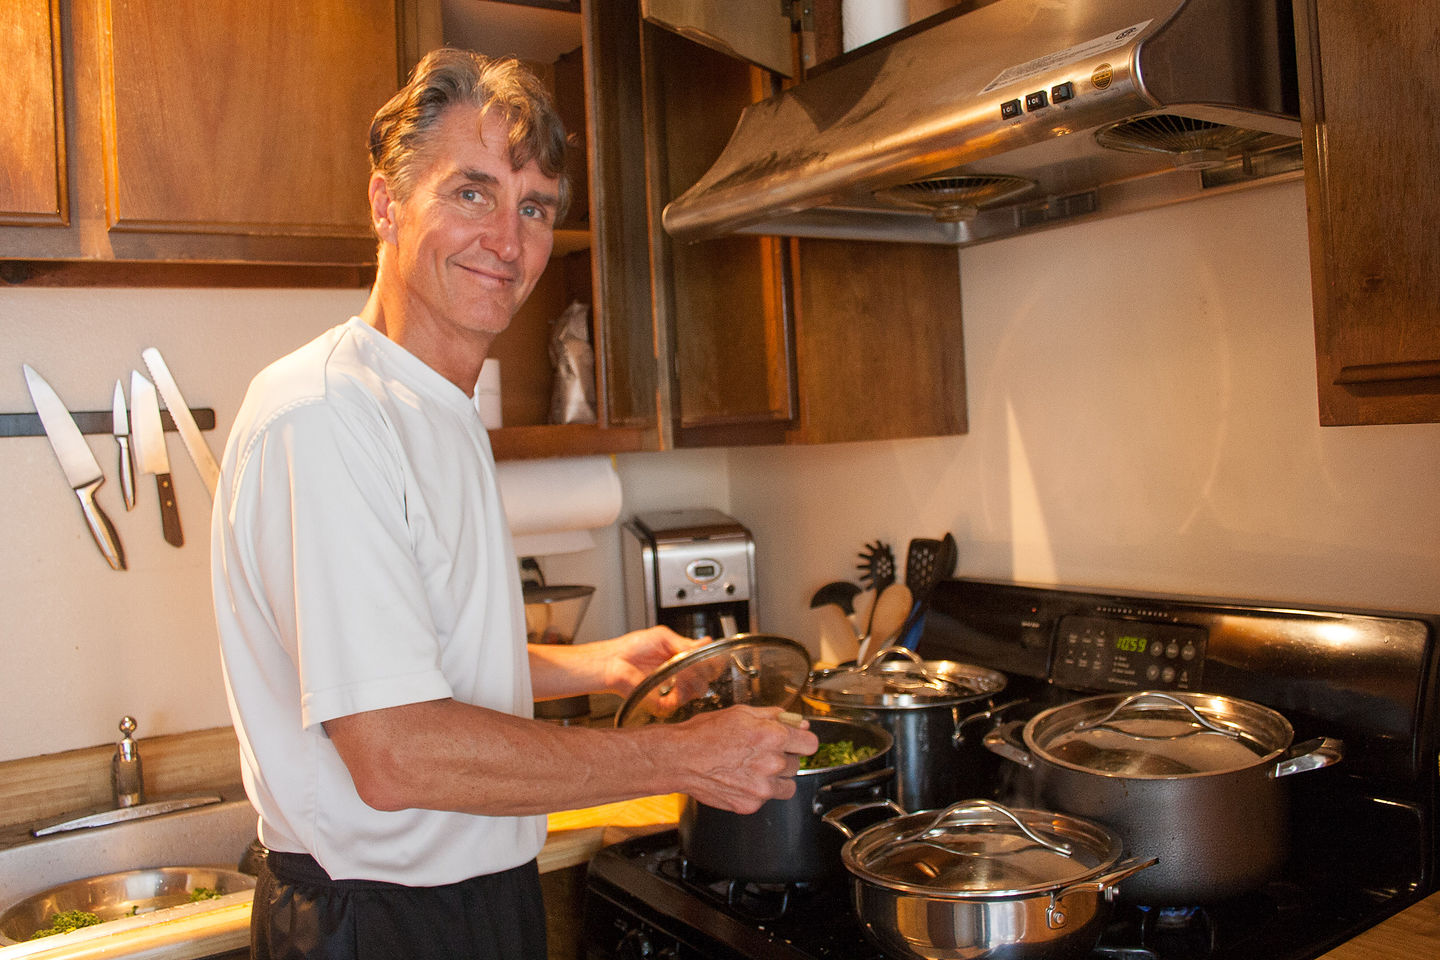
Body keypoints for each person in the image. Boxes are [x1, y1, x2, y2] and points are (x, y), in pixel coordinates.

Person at [210, 48, 817, 960]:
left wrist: (598, 665)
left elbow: (406, 655)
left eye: (533, 206)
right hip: (380, 922)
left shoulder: (438, 406)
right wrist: (682, 755)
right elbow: (395, 749)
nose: (508, 237)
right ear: (385, 204)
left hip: (475, 894)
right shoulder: (327, 414)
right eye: (472, 193)